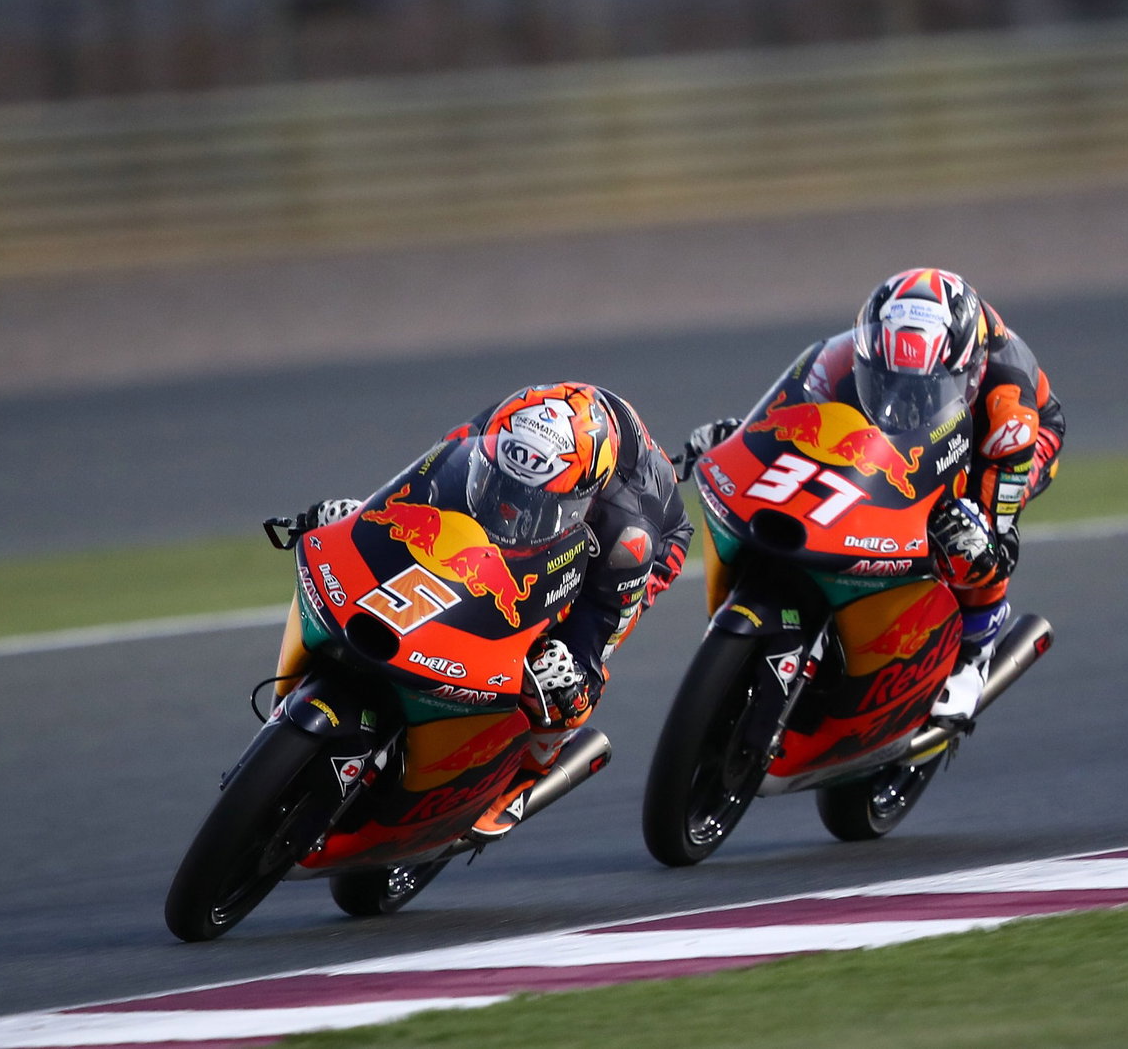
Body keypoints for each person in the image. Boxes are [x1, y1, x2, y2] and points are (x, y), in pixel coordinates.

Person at [309, 382, 694, 840]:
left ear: (582, 499)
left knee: (563, 685)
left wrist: (572, 674)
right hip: (551, 459)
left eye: (530, 499)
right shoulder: (495, 431)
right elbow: (416, 486)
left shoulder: (628, 533)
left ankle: (525, 778)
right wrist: (360, 517)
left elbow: (596, 635)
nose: (510, 507)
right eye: (502, 485)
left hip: (632, 559)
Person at [685, 268, 1065, 727]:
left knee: (974, 532)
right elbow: (798, 408)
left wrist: (985, 537)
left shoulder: (1009, 406)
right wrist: (745, 437)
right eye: (886, 377)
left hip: (1007, 442)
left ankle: (973, 654)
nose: (904, 397)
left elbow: (1001, 548)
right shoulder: (851, 355)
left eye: (923, 387)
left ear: (968, 369)